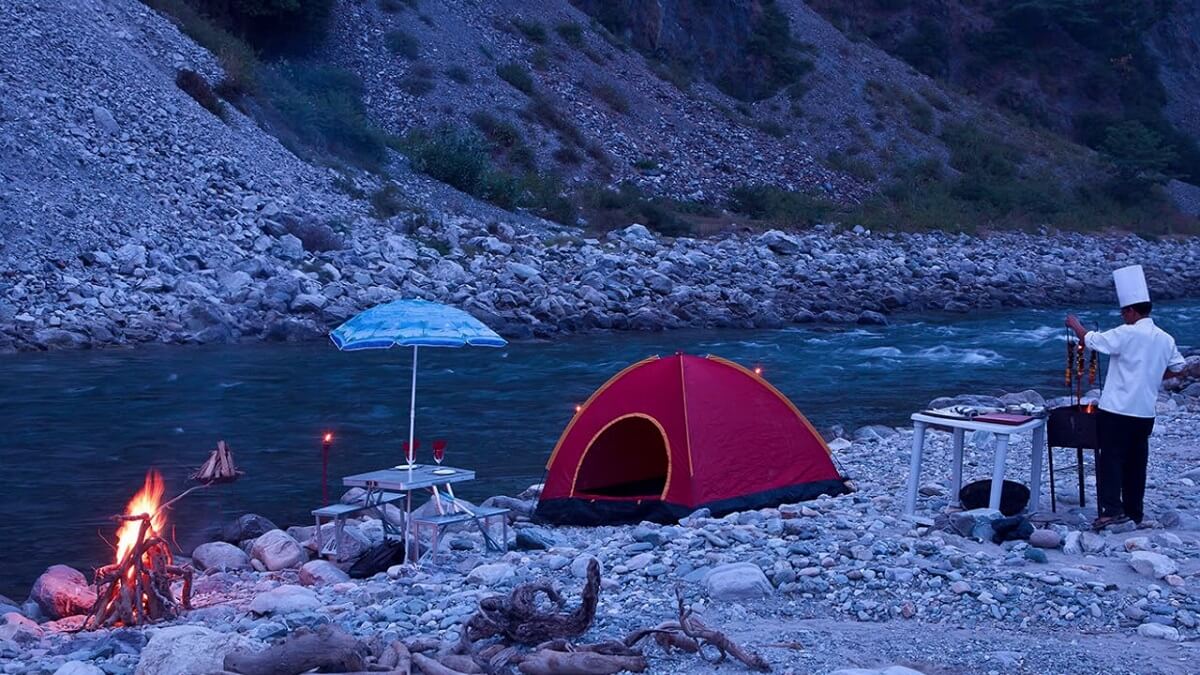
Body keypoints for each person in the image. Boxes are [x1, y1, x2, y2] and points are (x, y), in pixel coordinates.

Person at [1065, 265, 1187, 530]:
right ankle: (1134, 511)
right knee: (1136, 462)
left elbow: (1092, 340)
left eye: (1123, 312)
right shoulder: (1165, 339)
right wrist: (1153, 375)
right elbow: (1178, 370)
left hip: (1117, 410)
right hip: (1144, 412)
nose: (1123, 316)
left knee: (1110, 460)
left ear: (1131, 311)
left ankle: (1112, 511)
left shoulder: (1126, 333)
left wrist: (1075, 325)